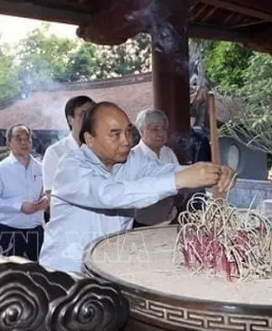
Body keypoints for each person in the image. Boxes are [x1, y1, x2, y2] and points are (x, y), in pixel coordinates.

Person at [39, 102, 236, 273]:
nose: (126, 141)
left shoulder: (131, 161)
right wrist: (179, 179)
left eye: (128, 132)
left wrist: (211, 173)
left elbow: (164, 171)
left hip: (110, 267)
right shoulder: (70, 166)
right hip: (69, 272)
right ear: (90, 139)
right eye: (115, 135)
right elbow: (108, 194)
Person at [0, 124, 47, 261]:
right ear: (9, 143)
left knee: (37, 275)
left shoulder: (40, 167)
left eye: (28, 138)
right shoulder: (1, 169)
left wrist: (45, 199)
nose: (24, 142)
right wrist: (19, 206)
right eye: (19, 138)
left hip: (36, 230)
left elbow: (46, 191)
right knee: (9, 277)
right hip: (9, 231)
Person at [42, 96, 95, 219]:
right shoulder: (56, 152)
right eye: (83, 113)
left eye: (92, 112)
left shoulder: (102, 149)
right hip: (72, 221)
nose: (89, 118)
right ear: (70, 119)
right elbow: (50, 195)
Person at [131, 109, 180, 227]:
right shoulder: (133, 156)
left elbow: (179, 181)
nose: (161, 133)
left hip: (170, 217)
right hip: (143, 222)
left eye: (164, 128)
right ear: (142, 131)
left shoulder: (168, 152)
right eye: (155, 129)